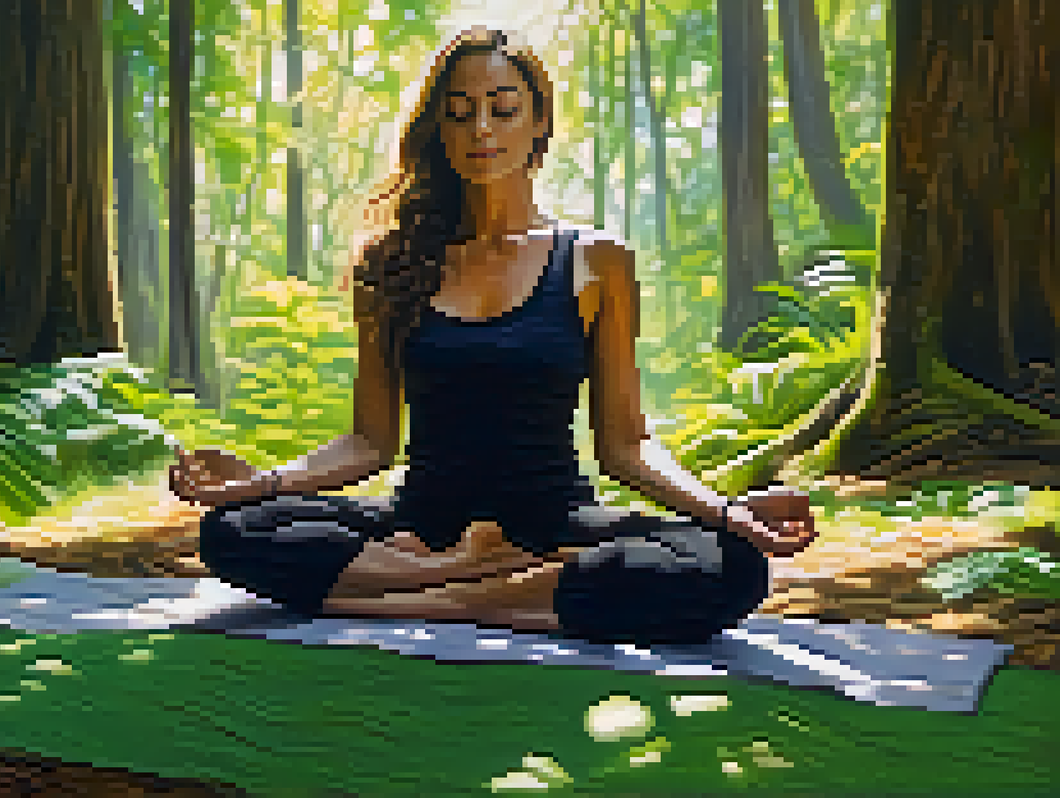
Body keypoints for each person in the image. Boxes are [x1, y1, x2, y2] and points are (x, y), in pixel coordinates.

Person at [168, 26, 817, 645]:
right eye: (459, 112)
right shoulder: (391, 263)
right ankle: (488, 585)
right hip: (422, 525)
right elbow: (369, 442)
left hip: (556, 524)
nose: (480, 129)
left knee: (729, 566)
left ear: (540, 122)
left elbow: (625, 445)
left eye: (503, 109)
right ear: (438, 130)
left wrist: (728, 513)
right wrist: (264, 484)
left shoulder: (598, 262)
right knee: (234, 531)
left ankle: (437, 593)